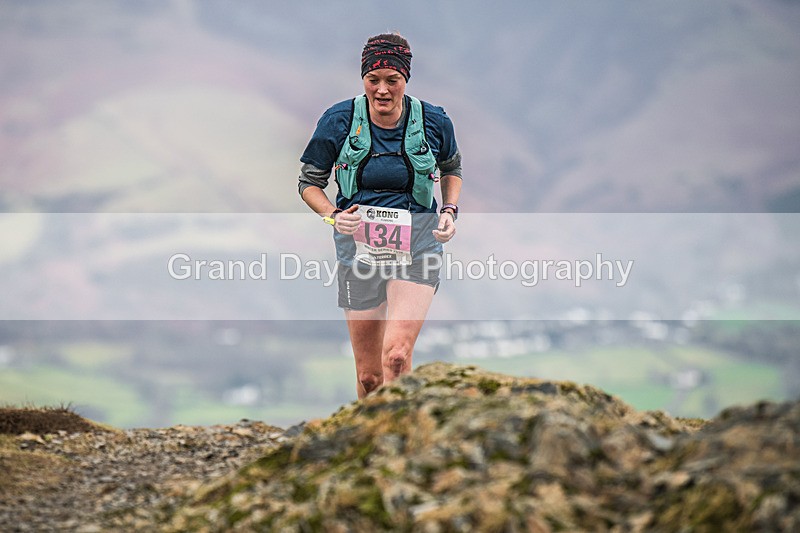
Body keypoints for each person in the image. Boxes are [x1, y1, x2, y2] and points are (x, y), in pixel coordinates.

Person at [298, 32, 462, 398]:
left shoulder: (434, 121)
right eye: (374, 80)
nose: (383, 90)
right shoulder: (338, 120)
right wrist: (332, 216)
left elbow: (452, 168)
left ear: (406, 79)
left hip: (418, 246)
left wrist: (449, 210)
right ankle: (369, 447)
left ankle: (401, 448)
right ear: (363, 80)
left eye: (393, 80)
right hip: (358, 252)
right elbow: (308, 183)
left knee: (398, 358)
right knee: (370, 377)